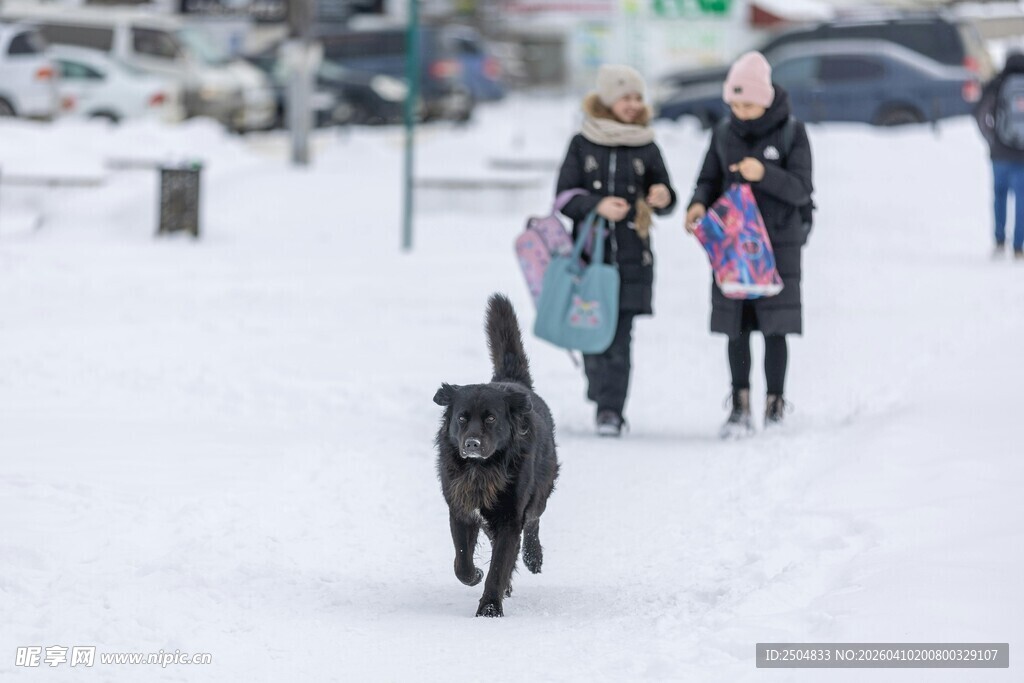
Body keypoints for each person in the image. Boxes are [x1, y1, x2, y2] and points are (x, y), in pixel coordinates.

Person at [684, 51, 813, 438]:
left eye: (748, 103)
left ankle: (775, 403)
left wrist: (765, 173)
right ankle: (739, 404)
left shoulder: (792, 132)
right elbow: (708, 178)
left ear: (766, 98)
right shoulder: (723, 133)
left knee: (776, 328)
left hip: (777, 248)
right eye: (734, 103)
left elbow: (802, 189)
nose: (740, 110)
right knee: (735, 326)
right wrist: (696, 204)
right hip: (732, 248)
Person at [555, 64, 677, 437]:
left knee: (620, 337)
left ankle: (611, 410)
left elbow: (667, 196)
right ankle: (599, 389)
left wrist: (662, 196)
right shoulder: (582, 142)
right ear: (608, 100)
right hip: (590, 260)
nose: (633, 104)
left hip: (630, 260)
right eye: (626, 97)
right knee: (593, 335)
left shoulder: (647, 144)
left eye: (638, 97)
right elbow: (563, 197)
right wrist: (596, 205)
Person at [973, 51, 1024, 260]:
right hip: (1022, 155)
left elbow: (980, 113)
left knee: (999, 196)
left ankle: (999, 240)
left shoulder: (997, 84)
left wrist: (992, 139)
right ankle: (1019, 246)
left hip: (1000, 154)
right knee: (1022, 200)